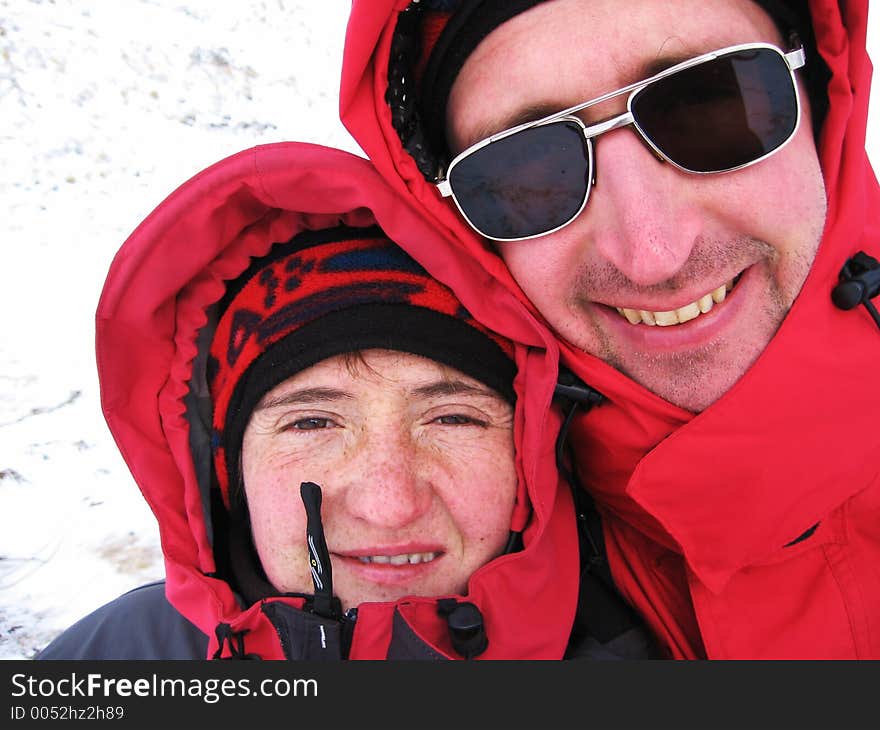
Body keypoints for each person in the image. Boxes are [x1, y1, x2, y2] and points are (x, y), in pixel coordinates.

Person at [339, 0, 880, 658]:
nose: (653, 255)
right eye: (527, 172)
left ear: (821, 94)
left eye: (709, 106)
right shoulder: (438, 577)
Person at [37, 142, 656, 660]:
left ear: (528, 452)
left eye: (453, 417)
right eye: (311, 421)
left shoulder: (648, 651)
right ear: (229, 470)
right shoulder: (112, 660)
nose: (389, 506)